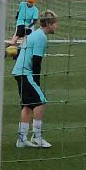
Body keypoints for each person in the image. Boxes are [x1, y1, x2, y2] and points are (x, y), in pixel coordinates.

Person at [11, 9, 56, 148]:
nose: (56, 26)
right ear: (48, 24)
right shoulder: (41, 36)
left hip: (19, 72)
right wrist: (36, 80)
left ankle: (22, 139)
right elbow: (37, 61)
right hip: (26, 72)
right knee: (40, 101)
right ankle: (37, 137)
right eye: (55, 23)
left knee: (27, 105)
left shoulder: (35, 34)